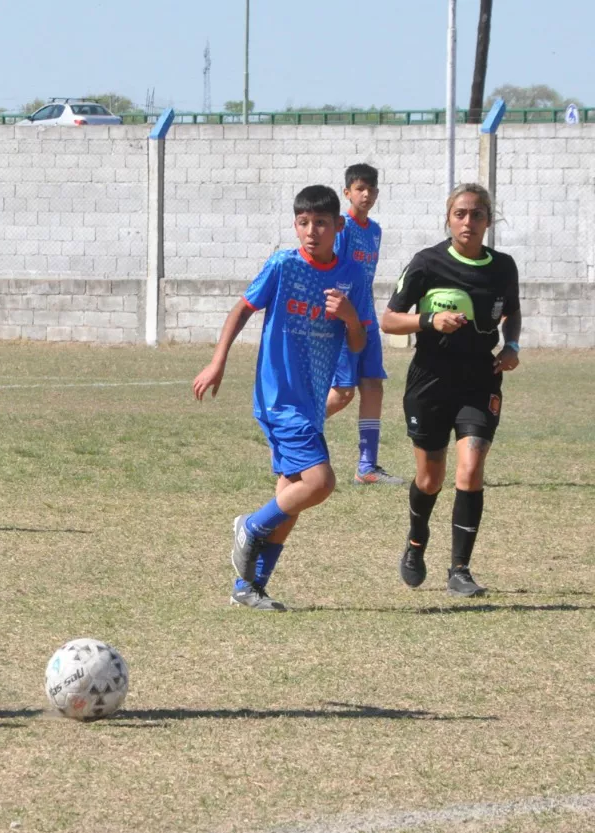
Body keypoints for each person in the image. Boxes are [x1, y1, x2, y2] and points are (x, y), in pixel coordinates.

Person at [193, 185, 370, 611]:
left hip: (310, 401)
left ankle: (249, 587)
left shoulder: (352, 277)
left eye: (321, 223)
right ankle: (250, 526)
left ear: (338, 226)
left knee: (292, 493)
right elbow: (241, 310)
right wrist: (218, 361)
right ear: (295, 225)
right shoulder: (283, 265)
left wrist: (348, 316)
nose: (312, 231)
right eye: (304, 223)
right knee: (320, 482)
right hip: (279, 398)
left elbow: (360, 341)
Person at [380, 184, 521, 597]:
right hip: (430, 381)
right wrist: (429, 321)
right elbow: (388, 320)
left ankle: (460, 569)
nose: (468, 221)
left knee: (471, 470)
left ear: (488, 221)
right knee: (430, 478)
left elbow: (511, 313)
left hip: (480, 379)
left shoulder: (503, 267)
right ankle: (415, 543)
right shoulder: (428, 263)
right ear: (449, 218)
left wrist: (511, 345)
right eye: (460, 213)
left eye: (477, 214)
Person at [325, 163, 403, 485]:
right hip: (345, 323)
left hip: (368, 320)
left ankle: (366, 467)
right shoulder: (341, 229)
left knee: (373, 386)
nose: (366, 194)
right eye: (359, 188)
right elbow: (333, 273)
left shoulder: (375, 231)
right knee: (343, 394)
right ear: (347, 193)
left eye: (371, 189)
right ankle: (293, 431)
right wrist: (342, 316)